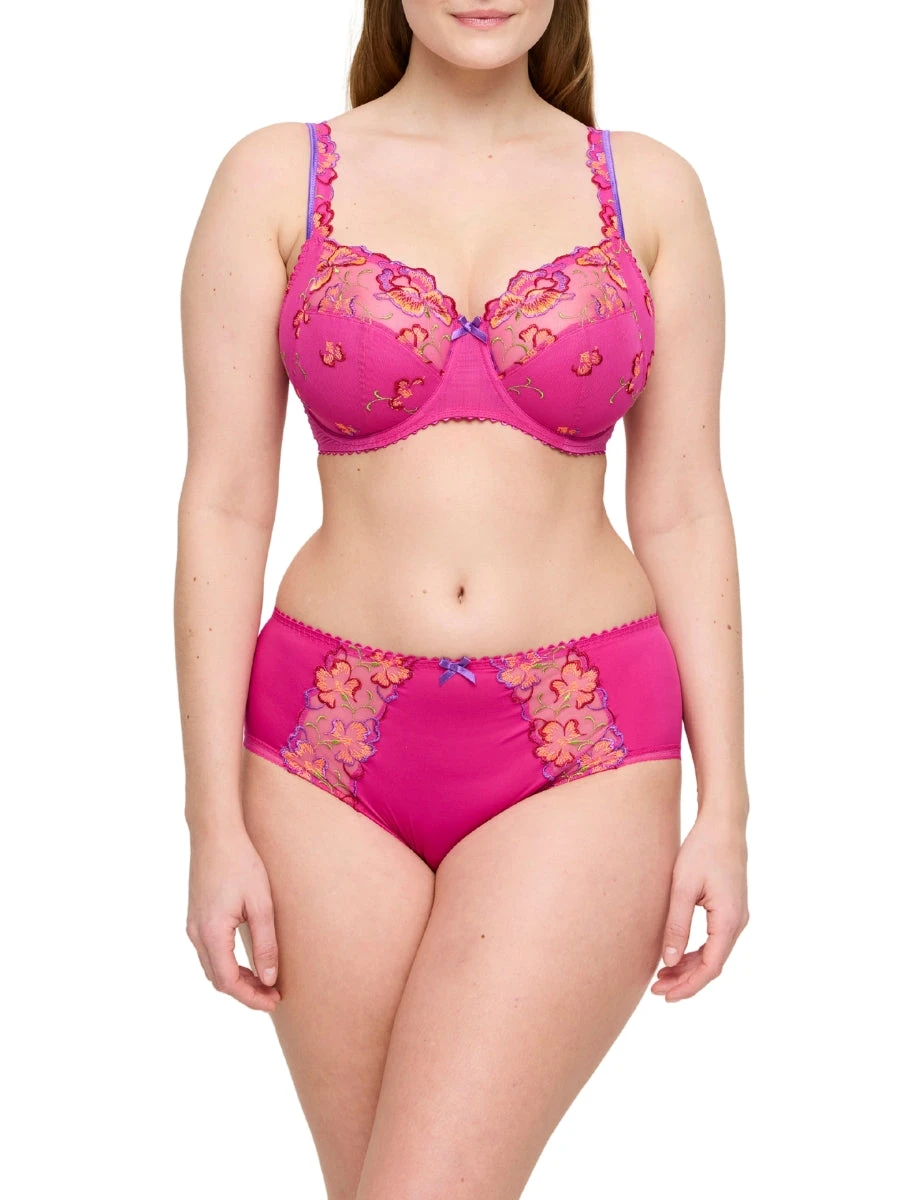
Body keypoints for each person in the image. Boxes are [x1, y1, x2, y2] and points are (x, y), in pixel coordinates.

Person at [175, 2, 750, 1195]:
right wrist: (209, 822)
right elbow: (224, 506)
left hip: (583, 750)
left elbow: (686, 507)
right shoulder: (274, 178)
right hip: (321, 757)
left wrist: (728, 806)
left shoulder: (650, 190)